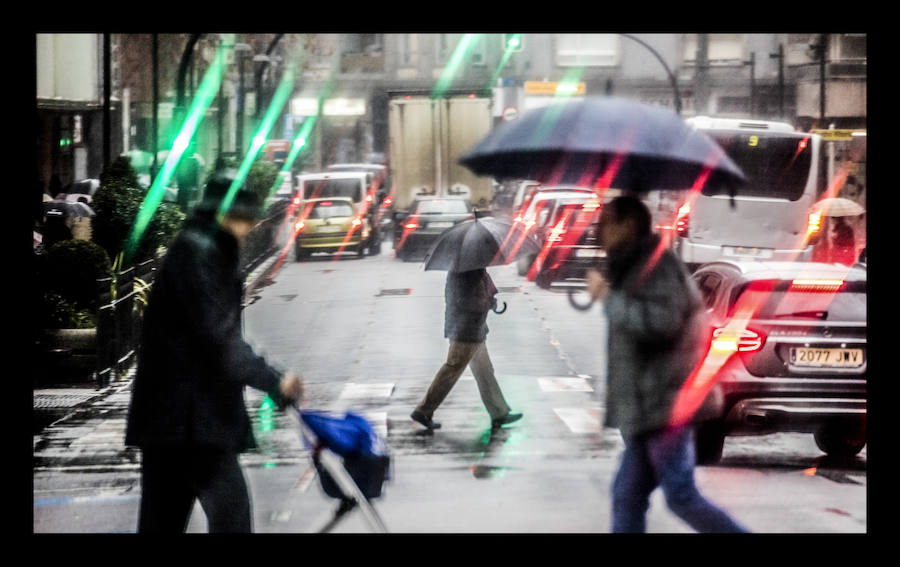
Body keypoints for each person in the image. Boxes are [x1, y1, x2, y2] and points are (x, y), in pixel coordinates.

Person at [125, 170, 304, 533]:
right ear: (227, 215)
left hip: (173, 419)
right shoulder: (202, 255)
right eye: (247, 219)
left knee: (163, 521)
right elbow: (219, 339)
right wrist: (274, 381)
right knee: (232, 518)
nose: (253, 228)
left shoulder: (196, 248)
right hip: (192, 420)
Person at [586, 195, 748, 533]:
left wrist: (610, 299)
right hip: (651, 406)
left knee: (680, 495)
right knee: (628, 496)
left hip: (666, 405)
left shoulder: (656, 267)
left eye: (606, 222)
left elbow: (662, 323)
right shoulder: (639, 265)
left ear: (628, 225)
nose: (597, 231)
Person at [411, 268, 522, 431]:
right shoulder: (463, 271)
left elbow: (480, 293)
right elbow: (464, 301)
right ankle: (423, 410)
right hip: (465, 331)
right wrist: (487, 302)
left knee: (484, 371)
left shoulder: (474, 268)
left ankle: (499, 413)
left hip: (474, 330)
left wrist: (490, 299)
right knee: (452, 370)